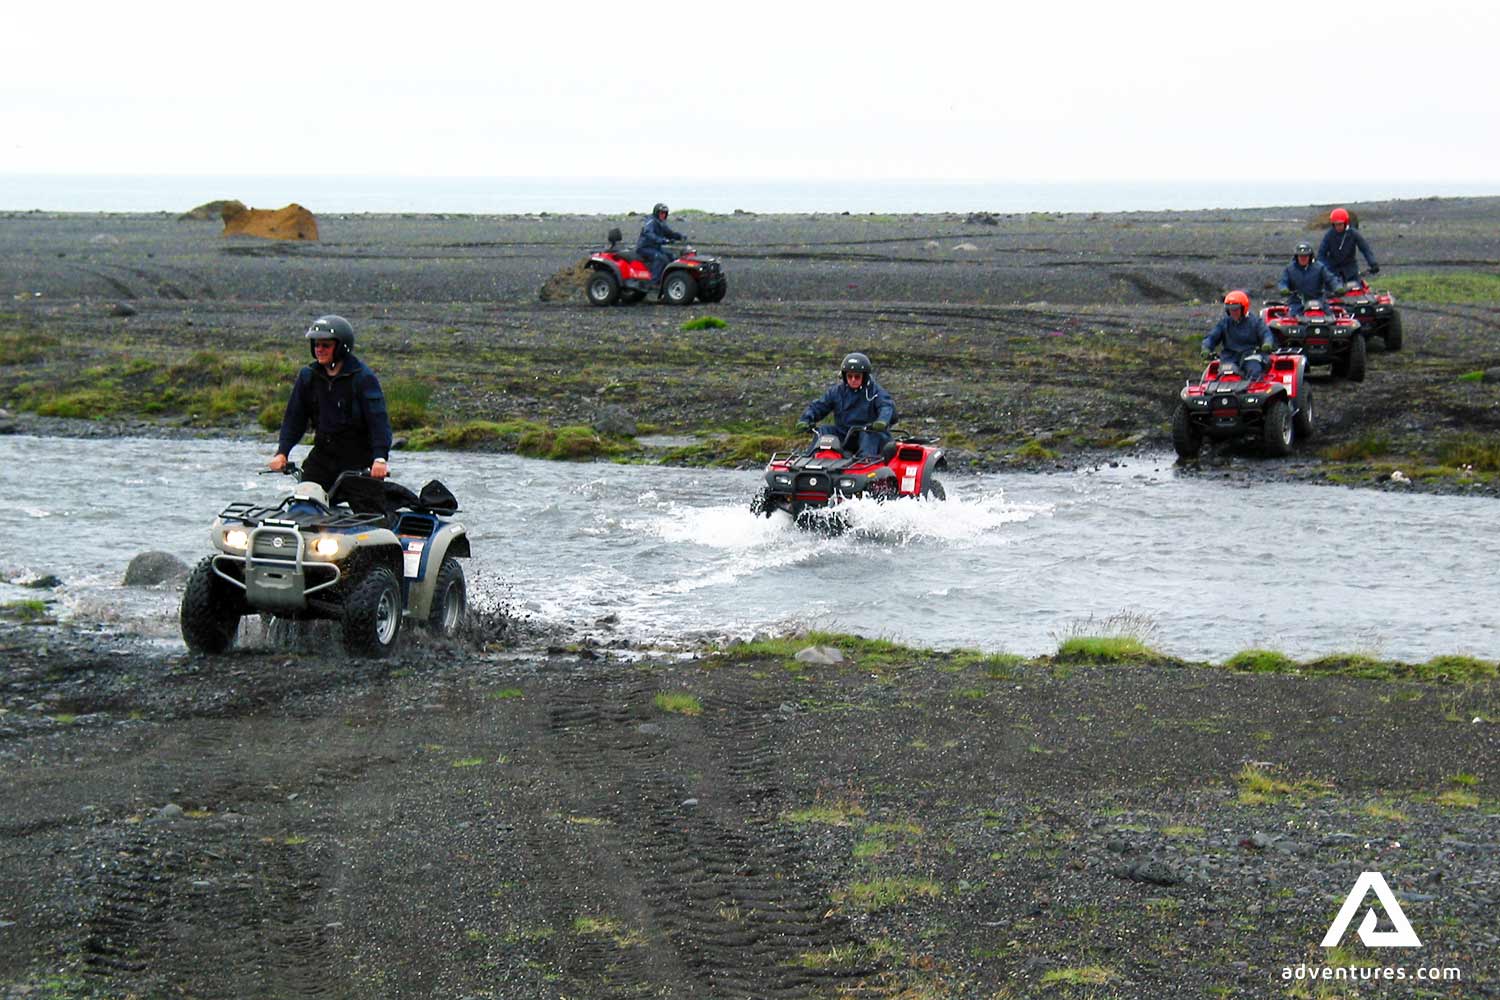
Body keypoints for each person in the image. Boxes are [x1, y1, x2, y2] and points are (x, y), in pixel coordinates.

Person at [269, 315, 394, 492]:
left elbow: (378, 422)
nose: (319, 349)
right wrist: (283, 452)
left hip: (358, 461)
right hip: (322, 458)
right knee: (305, 500)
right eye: (316, 345)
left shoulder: (363, 378)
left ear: (341, 347)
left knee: (369, 511)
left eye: (325, 345)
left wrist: (380, 459)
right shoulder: (308, 376)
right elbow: (294, 419)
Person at [795, 352, 897, 458]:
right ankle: (811, 459)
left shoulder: (876, 392)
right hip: (844, 433)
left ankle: (866, 461)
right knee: (824, 430)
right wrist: (805, 420)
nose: (853, 380)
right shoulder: (837, 391)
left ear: (865, 376)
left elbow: (886, 407)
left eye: (857, 376)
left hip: (869, 433)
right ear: (844, 376)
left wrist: (882, 421)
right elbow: (819, 406)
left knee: (868, 434)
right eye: (849, 376)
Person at [1201, 291, 1275, 379]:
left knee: (1254, 371)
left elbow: (1266, 334)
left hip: (1251, 356)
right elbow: (1212, 337)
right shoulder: (1224, 323)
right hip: (1229, 358)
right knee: (1225, 375)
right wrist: (1206, 348)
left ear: (1243, 308)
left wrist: (1267, 344)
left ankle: (1254, 390)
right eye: (1230, 309)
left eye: (1236, 309)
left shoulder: (1256, 322)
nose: (1233, 312)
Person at [1316, 207, 1379, 282]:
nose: (1338, 227)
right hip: (1333, 271)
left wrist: (1373, 263)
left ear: (1345, 223)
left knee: (1357, 290)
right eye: (1336, 225)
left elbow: (1365, 249)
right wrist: (1324, 269)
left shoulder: (1354, 234)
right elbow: (1321, 255)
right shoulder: (1329, 235)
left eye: (1340, 224)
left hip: (1351, 270)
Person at [1278, 241, 1343, 314]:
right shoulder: (1289, 269)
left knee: (1330, 317)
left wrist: (1337, 287)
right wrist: (1284, 289)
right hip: (1297, 302)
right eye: (1301, 256)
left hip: (1318, 300)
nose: (1303, 258)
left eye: (1306, 256)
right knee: (1292, 318)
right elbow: (1283, 282)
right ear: (1296, 257)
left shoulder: (1319, 267)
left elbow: (1331, 279)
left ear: (1310, 256)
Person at [636, 202, 685, 284]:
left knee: (672, 256)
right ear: (656, 212)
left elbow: (669, 233)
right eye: (661, 213)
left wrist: (680, 236)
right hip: (644, 248)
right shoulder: (651, 221)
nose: (663, 215)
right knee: (660, 258)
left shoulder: (661, 223)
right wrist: (661, 240)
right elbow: (648, 233)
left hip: (655, 247)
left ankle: (670, 279)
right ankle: (653, 282)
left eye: (665, 213)